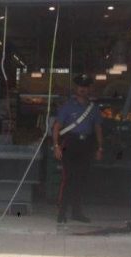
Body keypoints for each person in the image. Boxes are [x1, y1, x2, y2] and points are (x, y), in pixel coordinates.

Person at [52, 73, 104, 224]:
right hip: (70, 143)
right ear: (76, 88)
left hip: (86, 144)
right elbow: (57, 127)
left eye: (85, 86)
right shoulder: (67, 106)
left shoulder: (93, 109)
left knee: (81, 179)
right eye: (80, 86)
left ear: (89, 89)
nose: (83, 89)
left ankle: (76, 212)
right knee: (68, 178)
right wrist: (56, 146)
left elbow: (98, 128)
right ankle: (62, 212)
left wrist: (100, 147)